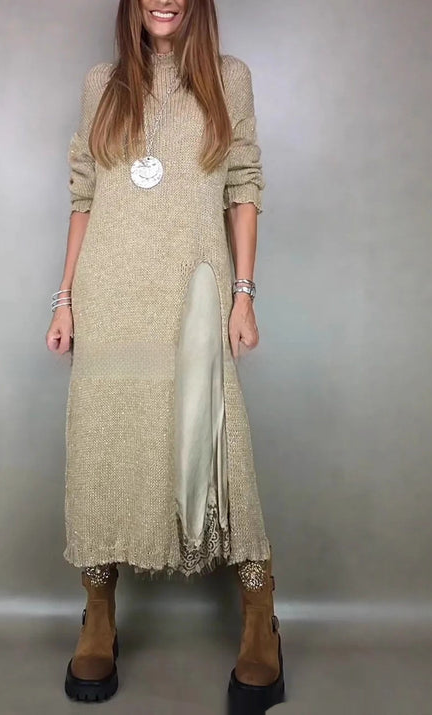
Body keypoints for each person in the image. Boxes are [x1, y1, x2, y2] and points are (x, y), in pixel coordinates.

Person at [46, 0, 284, 711]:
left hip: (192, 284)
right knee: (103, 443)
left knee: (217, 446)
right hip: (109, 291)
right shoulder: (101, 83)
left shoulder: (227, 78)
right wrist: (64, 299)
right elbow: (84, 197)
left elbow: (243, 185)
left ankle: (259, 616)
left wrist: (244, 294)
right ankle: (98, 614)